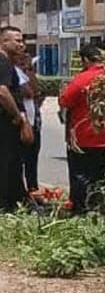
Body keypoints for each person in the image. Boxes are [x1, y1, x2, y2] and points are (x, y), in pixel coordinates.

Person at [59, 43, 105, 214]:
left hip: (85, 137)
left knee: (82, 177)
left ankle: (82, 210)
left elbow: (65, 101)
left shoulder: (83, 78)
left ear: (86, 60)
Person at [0, 27, 31, 212]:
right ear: (4, 42)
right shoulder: (3, 62)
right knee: (7, 165)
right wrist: (18, 117)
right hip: (5, 126)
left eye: (22, 41)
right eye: (17, 41)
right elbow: (2, 92)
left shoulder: (9, 64)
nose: (22, 45)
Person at [15, 50, 42, 195]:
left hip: (34, 123)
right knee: (19, 161)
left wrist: (29, 70)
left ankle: (33, 190)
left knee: (32, 160)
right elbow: (29, 93)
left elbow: (36, 91)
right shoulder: (14, 72)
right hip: (22, 124)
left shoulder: (25, 73)